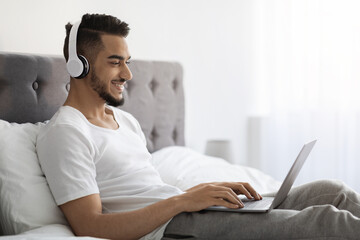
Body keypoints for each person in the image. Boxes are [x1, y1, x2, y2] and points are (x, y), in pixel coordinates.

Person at [37, 13, 360, 240]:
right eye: (114, 62)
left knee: (333, 192)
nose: (128, 75)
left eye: (127, 62)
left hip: (181, 210)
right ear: (79, 64)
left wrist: (203, 192)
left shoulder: (125, 121)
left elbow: (147, 192)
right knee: (326, 222)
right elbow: (91, 227)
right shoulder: (67, 132)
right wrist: (182, 202)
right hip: (167, 230)